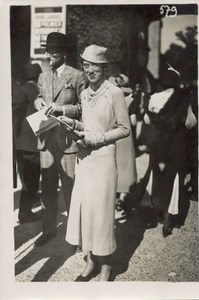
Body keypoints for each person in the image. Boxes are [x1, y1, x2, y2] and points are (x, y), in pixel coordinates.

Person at [59, 44, 130, 281]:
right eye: (86, 65)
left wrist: (98, 138)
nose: (90, 70)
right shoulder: (84, 92)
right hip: (84, 159)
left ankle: (107, 265)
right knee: (86, 212)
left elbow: (124, 129)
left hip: (104, 160)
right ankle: (90, 259)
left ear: (104, 67)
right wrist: (72, 127)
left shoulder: (115, 92)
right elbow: (86, 125)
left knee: (103, 213)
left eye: (95, 66)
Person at [33, 32, 86, 247]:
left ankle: (75, 234)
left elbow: (84, 108)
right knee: (47, 188)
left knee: (70, 188)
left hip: (67, 143)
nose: (49, 56)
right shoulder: (43, 76)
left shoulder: (77, 76)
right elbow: (39, 97)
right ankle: (48, 230)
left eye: (53, 53)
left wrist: (62, 108)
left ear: (64, 53)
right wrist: (38, 103)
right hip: (46, 141)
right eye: (48, 52)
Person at [142, 65, 197, 237]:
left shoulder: (154, 98)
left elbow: (147, 121)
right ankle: (168, 222)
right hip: (177, 145)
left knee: (156, 176)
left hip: (159, 144)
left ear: (163, 83)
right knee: (174, 180)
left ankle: (153, 214)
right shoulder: (184, 99)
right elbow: (191, 123)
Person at [14, 63, 42, 223]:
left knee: (24, 179)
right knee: (31, 180)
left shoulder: (20, 90)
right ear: (38, 77)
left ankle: (25, 211)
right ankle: (25, 213)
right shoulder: (38, 92)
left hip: (19, 142)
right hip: (33, 143)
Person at [109, 74, 137, 213]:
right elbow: (133, 122)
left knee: (113, 164)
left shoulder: (111, 99)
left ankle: (112, 197)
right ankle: (123, 198)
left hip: (112, 134)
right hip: (126, 137)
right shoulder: (131, 100)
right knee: (126, 167)